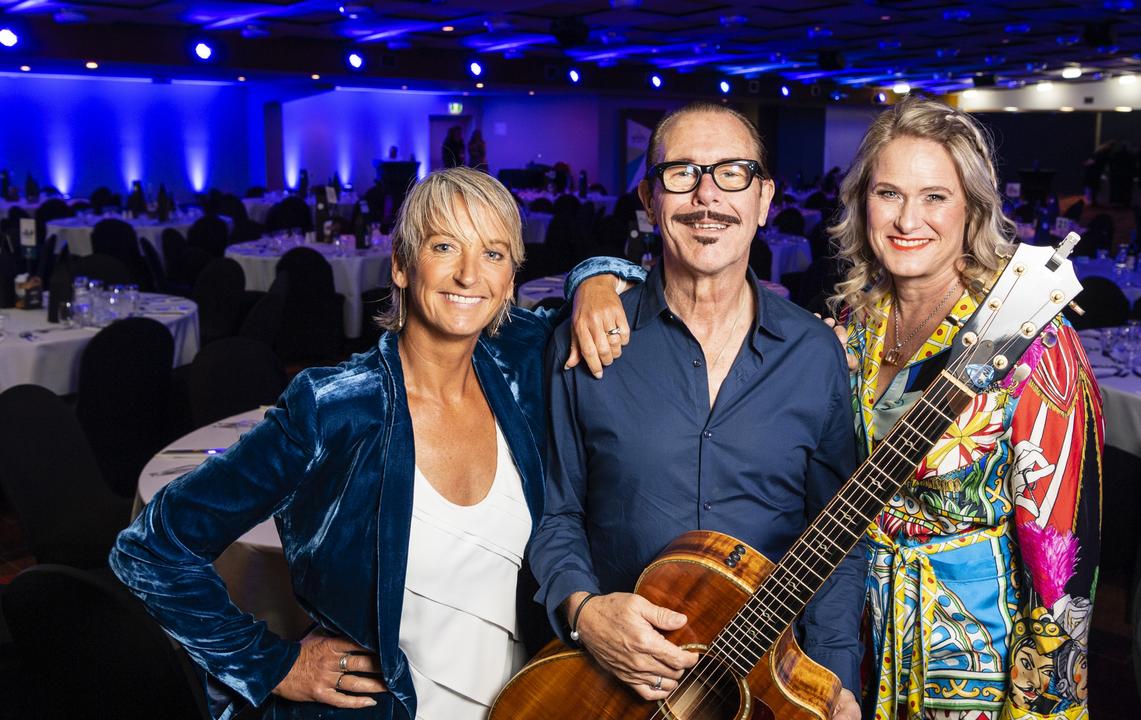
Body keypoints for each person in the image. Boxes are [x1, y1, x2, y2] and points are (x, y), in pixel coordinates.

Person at [110, 167, 646, 720]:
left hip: (530, 702)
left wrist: (596, 278)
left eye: (493, 254)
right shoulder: (333, 406)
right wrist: (271, 663)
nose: (468, 275)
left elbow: (626, 295)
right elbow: (151, 547)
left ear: (511, 280)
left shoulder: (523, 361)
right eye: (444, 246)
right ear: (401, 265)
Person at [531, 102, 868, 719]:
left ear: (764, 199)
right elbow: (557, 512)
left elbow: (839, 541)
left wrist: (834, 680)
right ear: (649, 197)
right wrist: (583, 611)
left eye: (732, 173)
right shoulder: (585, 339)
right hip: (611, 689)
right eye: (681, 172)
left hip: (765, 687)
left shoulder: (814, 353)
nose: (706, 196)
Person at [828, 95, 1102, 720]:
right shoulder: (855, 322)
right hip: (855, 643)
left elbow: (1060, 548)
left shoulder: (1030, 337)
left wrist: (1042, 708)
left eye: (934, 197)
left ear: (972, 207)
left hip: (974, 657)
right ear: (861, 201)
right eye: (889, 193)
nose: (907, 219)